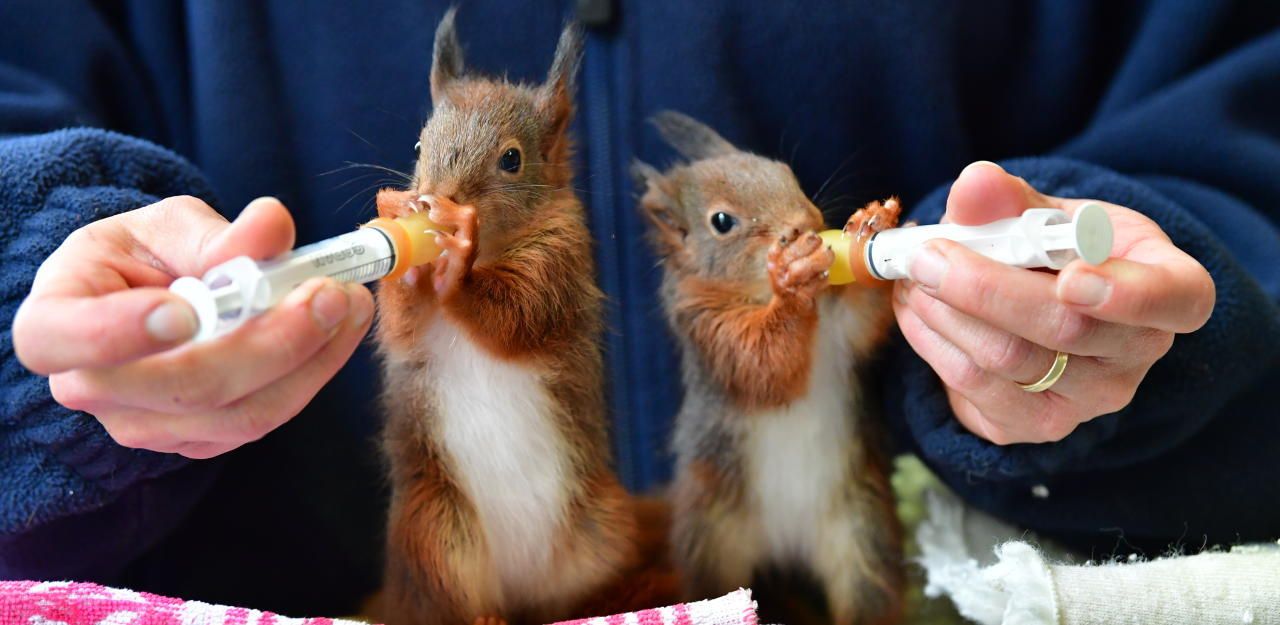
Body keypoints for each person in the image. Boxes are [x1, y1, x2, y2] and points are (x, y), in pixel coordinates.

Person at [2, 0, 1277, 616]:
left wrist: (1075, 322)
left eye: (492, 173)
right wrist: (41, 269)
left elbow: (1234, 125)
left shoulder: (564, 249)